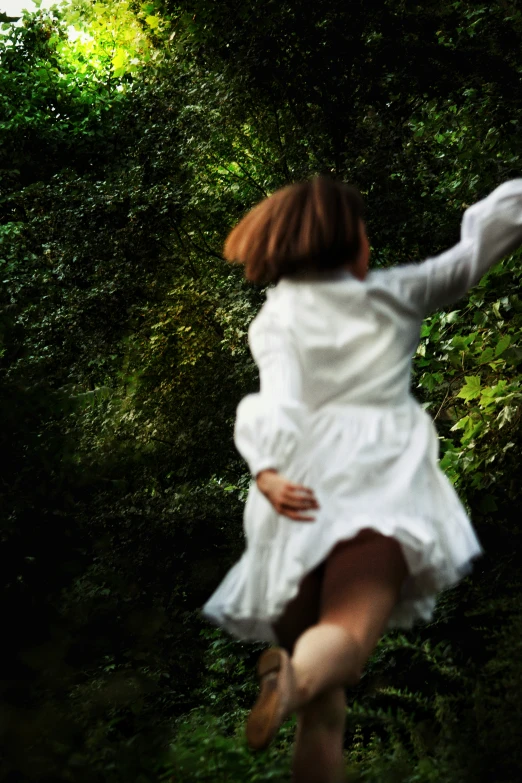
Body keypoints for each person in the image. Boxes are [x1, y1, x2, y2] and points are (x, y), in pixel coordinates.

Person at [203, 176, 522, 783]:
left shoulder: (276, 318)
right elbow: (472, 256)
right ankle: (287, 679)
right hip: (378, 490)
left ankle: (292, 679)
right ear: (349, 242)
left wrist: (266, 471)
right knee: (343, 644)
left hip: (291, 501)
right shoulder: (394, 294)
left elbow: (281, 404)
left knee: (325, 716)